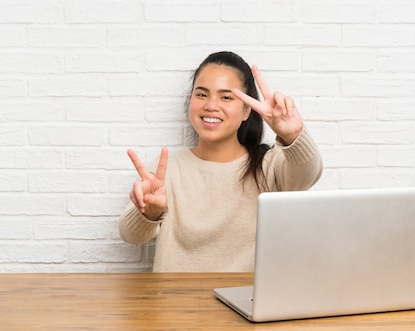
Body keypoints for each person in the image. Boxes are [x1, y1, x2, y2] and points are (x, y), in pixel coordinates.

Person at [118, 51, 322, 272]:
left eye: (226, 97)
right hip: (175, 303)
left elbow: (307, 174)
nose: (211, 106)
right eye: (202, 95)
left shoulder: (267, 165)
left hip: (246, 304)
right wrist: (149, 212)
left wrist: (293, 134)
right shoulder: (165, 171)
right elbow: (130, 236)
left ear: (246, 110)